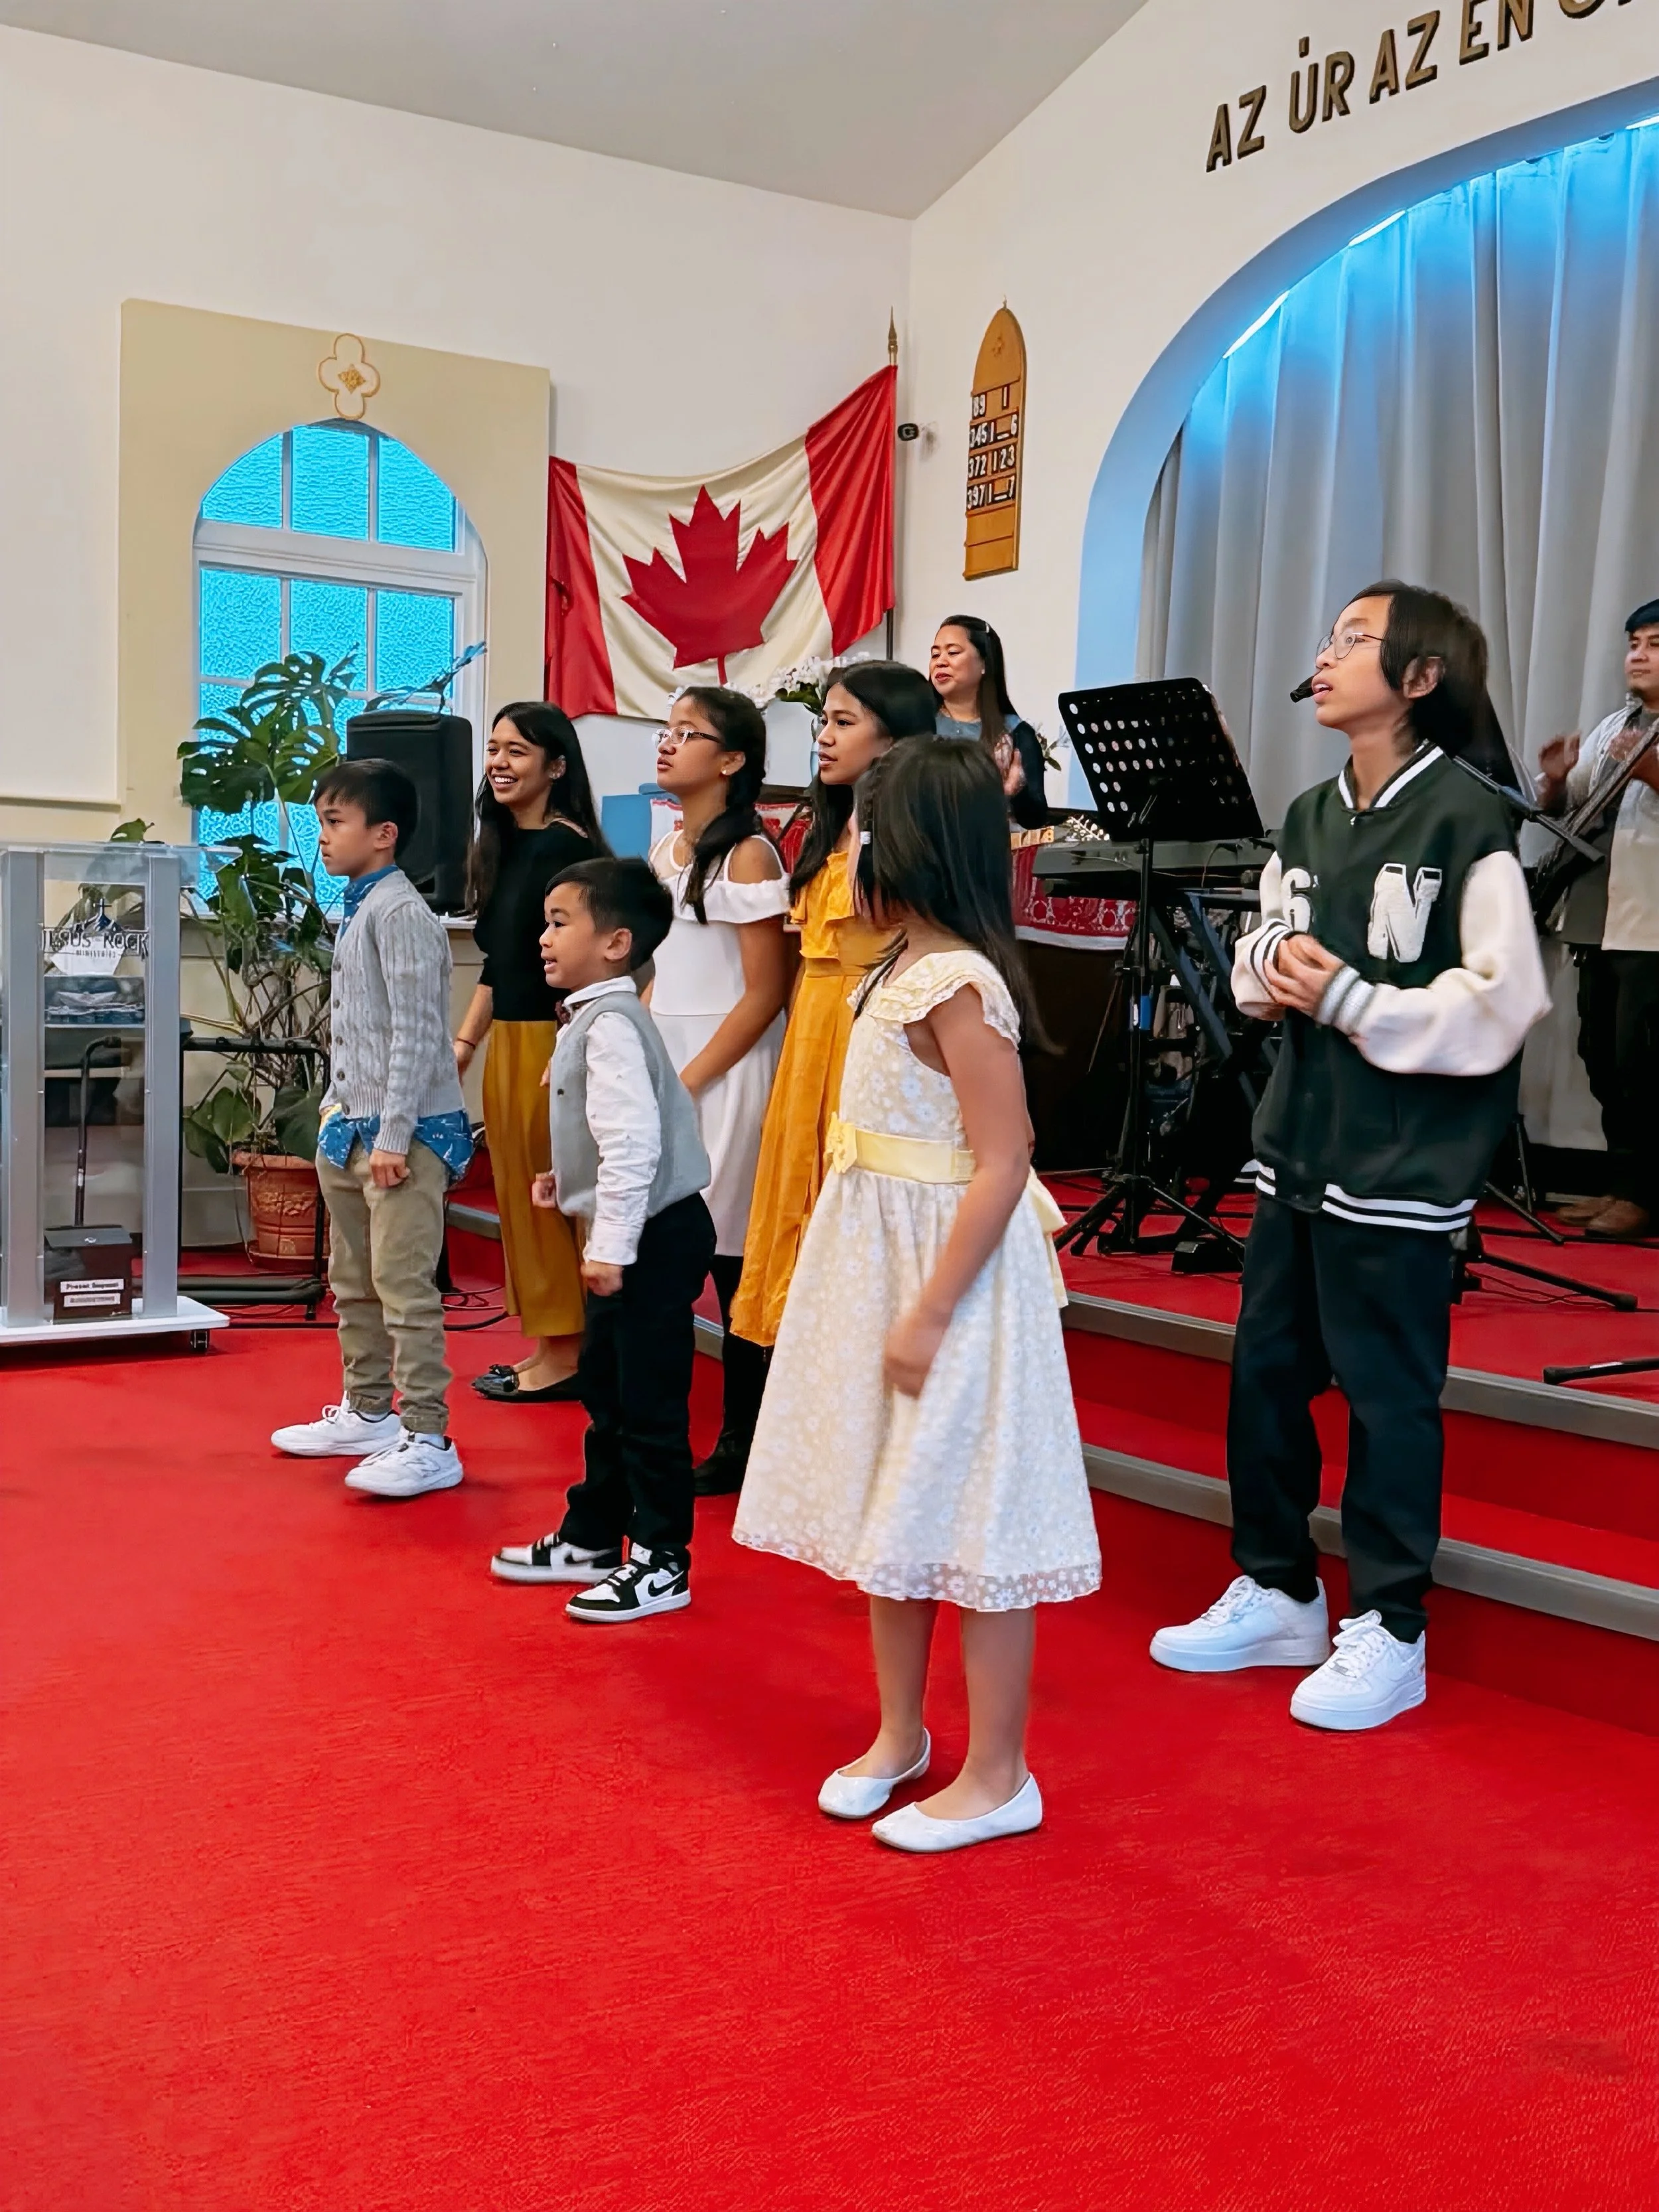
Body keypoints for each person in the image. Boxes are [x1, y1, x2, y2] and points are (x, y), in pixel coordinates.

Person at [1151, 583, 1550, 1730]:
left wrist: (1358, 996)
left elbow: (1505, 996)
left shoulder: (1471, 819)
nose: (1324, 657)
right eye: (1328, 638)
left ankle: (1391, 1622)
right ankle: (1277, 1586)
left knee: (1387, 1391)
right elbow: (1263, 943)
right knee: (1267, 1374)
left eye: (1354, 641)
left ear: (1421, 678)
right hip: (1300, 1141)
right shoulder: (1310, 812)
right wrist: (1275, 963)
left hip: (1407, 1156)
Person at [733, 741, 1098, 1853]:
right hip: (878, 1255)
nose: (846, 852)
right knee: (891, 1507)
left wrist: (933, 1309)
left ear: (918, 847)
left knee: (974, 1518)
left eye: (861, 833)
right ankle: (900, 1733)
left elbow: (1004, 1155)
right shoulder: (892, 963)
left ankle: (1001, 1773)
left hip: (953, 1277)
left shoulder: (962, 980)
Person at [489, 858, 716, 1622]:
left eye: (560, 923)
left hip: (653, 1236)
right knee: (609, 1390)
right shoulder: (594, 1014)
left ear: (616, 942)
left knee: (648, 1404)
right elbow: (603, 1138)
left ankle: (662, 1560)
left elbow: (634, 1145)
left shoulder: (611, 1026)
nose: (542, 938)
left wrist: (609, 1245)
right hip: (634, 1227)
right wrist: (567, 1184)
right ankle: (593, 1535)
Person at [272, 759, 472, 1499]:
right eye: (323, 820)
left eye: (335, 822)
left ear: (383, 835)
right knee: (351, 1280)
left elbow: (420, 1036)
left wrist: (392, 1136)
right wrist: (333, 1108)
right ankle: (368, 1412)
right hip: (348, 1128)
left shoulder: (402, 914)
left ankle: (428, 1434)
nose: (322, 837)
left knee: (403, 1285)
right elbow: (356, 1029)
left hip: (404, 1137)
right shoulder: (358, 908)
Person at [731, 661, 938, 1351]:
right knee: (794, 1180)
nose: (824, 736)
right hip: (811, 1027)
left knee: (847, 1195)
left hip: (867, 1029)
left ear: (893, 741)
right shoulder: (827, 828)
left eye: (844, 723)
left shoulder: (909, 839)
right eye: (825, 720)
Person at [647, 687, 792, 1495]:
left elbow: (765, 991)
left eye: (687, 734)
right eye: (665, 732)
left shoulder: (748, 856)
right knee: (664, 1249)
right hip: (671, 1055)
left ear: (731, 760)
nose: (666, 745)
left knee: (732, 1256)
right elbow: (656, 974)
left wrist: (691, 1078)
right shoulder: (667, 851)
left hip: (729, 1067)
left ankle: (745, 1437)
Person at [455, 703, 607, 1403]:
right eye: (493, 748)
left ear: (557, 766)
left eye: (518, 750)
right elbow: (501, 962)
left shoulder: (563, 848)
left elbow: (586, 963)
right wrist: (466, 1040)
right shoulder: (506, 842)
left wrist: (571, 1040)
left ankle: (572, 1351)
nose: (500, 762)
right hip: (511, 1037)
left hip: (552, 1040)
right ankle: (549, 1343)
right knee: (521, 1192)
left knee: (552, 1194)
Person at [1535, 599, 1659, 1241]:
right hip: (1596, 912)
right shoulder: (1620, 721)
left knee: (1642, 1061)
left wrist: (1650, 770)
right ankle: (1620, 1183)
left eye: (1655, 643)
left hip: (1652, 922)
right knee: (1600, 1052)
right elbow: (1573, 802)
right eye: (1633, 642)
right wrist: (1555, 780)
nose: (1638, 654)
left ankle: (1643, 1194)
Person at [928, 614, 1049, 830]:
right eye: (935, 654)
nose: (941, 661)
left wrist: (1015, 792)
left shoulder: (1015, 733)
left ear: (984, 663)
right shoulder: (919, 725)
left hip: (992, 855)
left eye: (953, 652)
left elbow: (1036, 819)